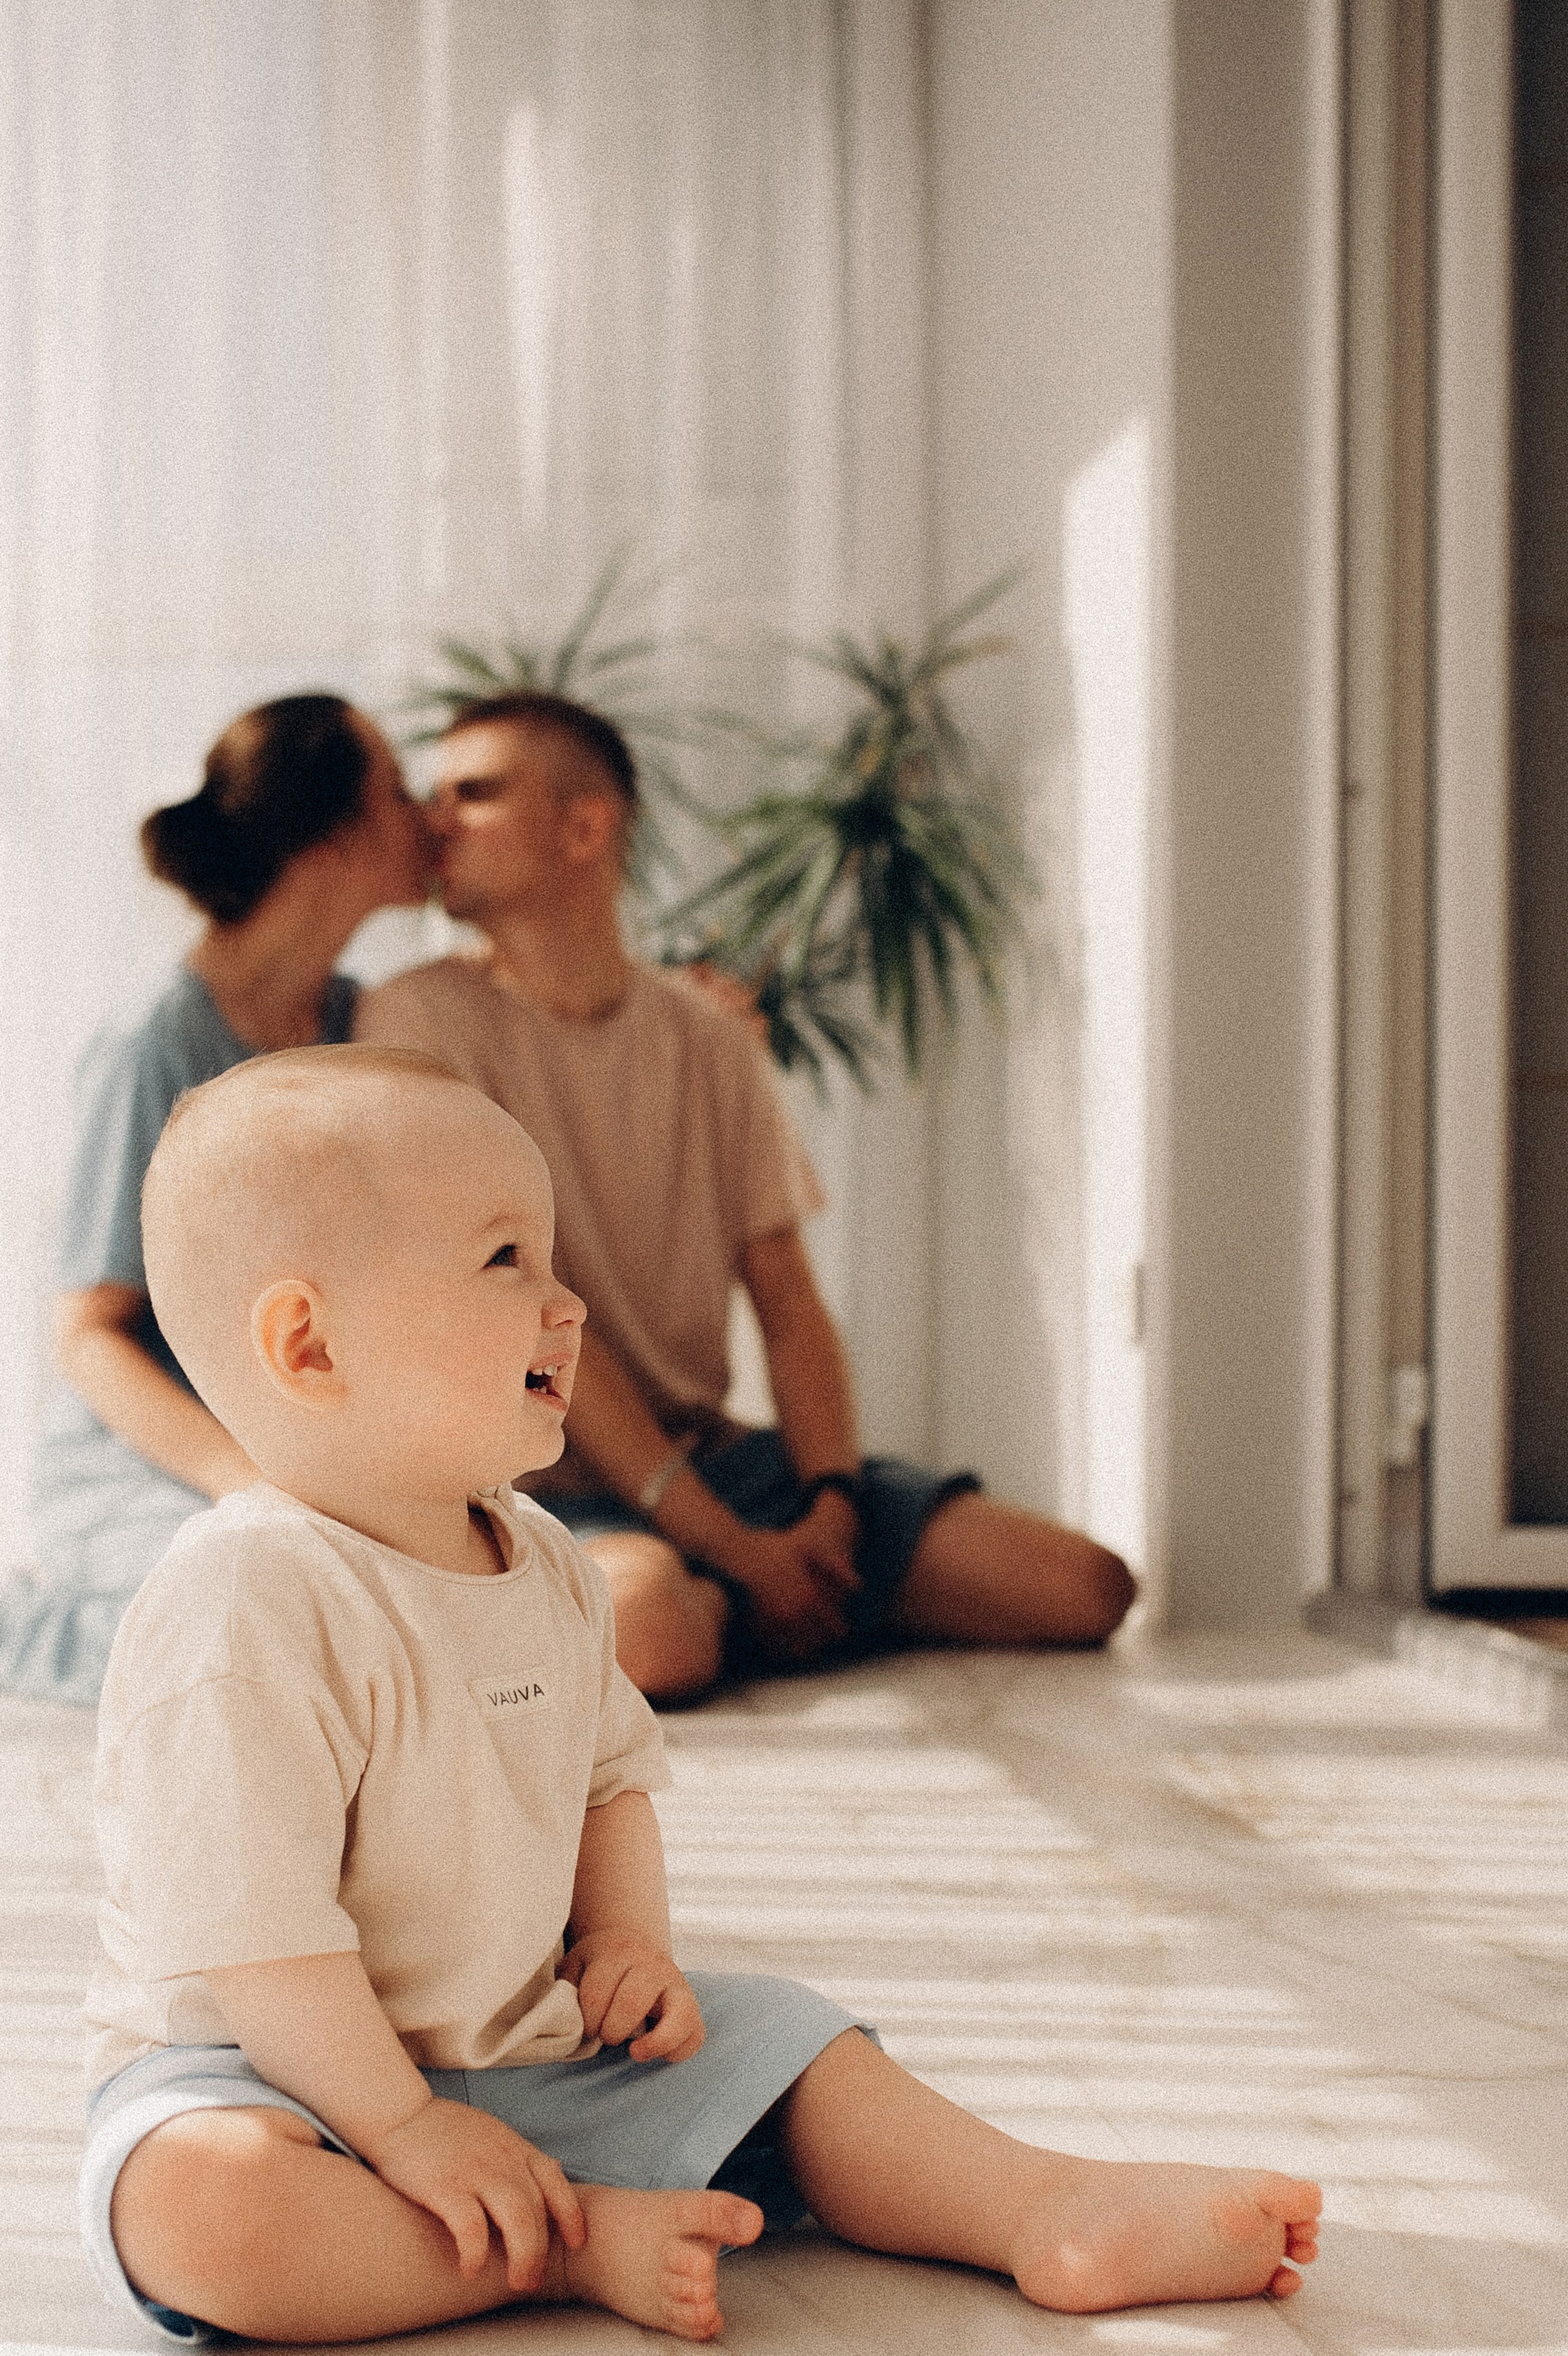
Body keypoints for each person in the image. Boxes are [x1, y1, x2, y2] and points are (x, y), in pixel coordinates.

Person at [80, 1044, 1321, 2347]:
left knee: (792, 2042)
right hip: (278, 2081)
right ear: (310, 1344)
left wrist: (627, 1945)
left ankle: (1040, 2206)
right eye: (507, 1261)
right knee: (203, 2213)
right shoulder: (245, 1599)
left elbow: (606, 1784)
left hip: (526, 2052)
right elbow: (259, 1939)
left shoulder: (546, 1562)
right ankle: (563, 2252)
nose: (567, 1306)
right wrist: (403, 2126)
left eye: (553, 1261)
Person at [350, 691, 1139, 1705]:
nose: (436, 820)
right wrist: (736, 1550)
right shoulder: (413, 1022)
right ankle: (732, 1599)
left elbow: (788, 1298)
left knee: (1084, 1589)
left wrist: (830, 1506)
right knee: (650, 1633)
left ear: (585, 827)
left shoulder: (709, 1034)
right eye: (436, 794)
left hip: (710, 1463)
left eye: (476, 793)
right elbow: (526, 1322)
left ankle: (752, 1598)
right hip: (535, 1480)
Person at [0, 693, 429, 1705]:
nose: (427, 813)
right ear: (334, 836)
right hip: (153, 1461)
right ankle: (40, 1625)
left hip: (300, 1449)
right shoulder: (154, 1045)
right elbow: (89, 1335)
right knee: (259, 1622)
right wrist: (245, 1479)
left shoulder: (360, 1021)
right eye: (399, 790)